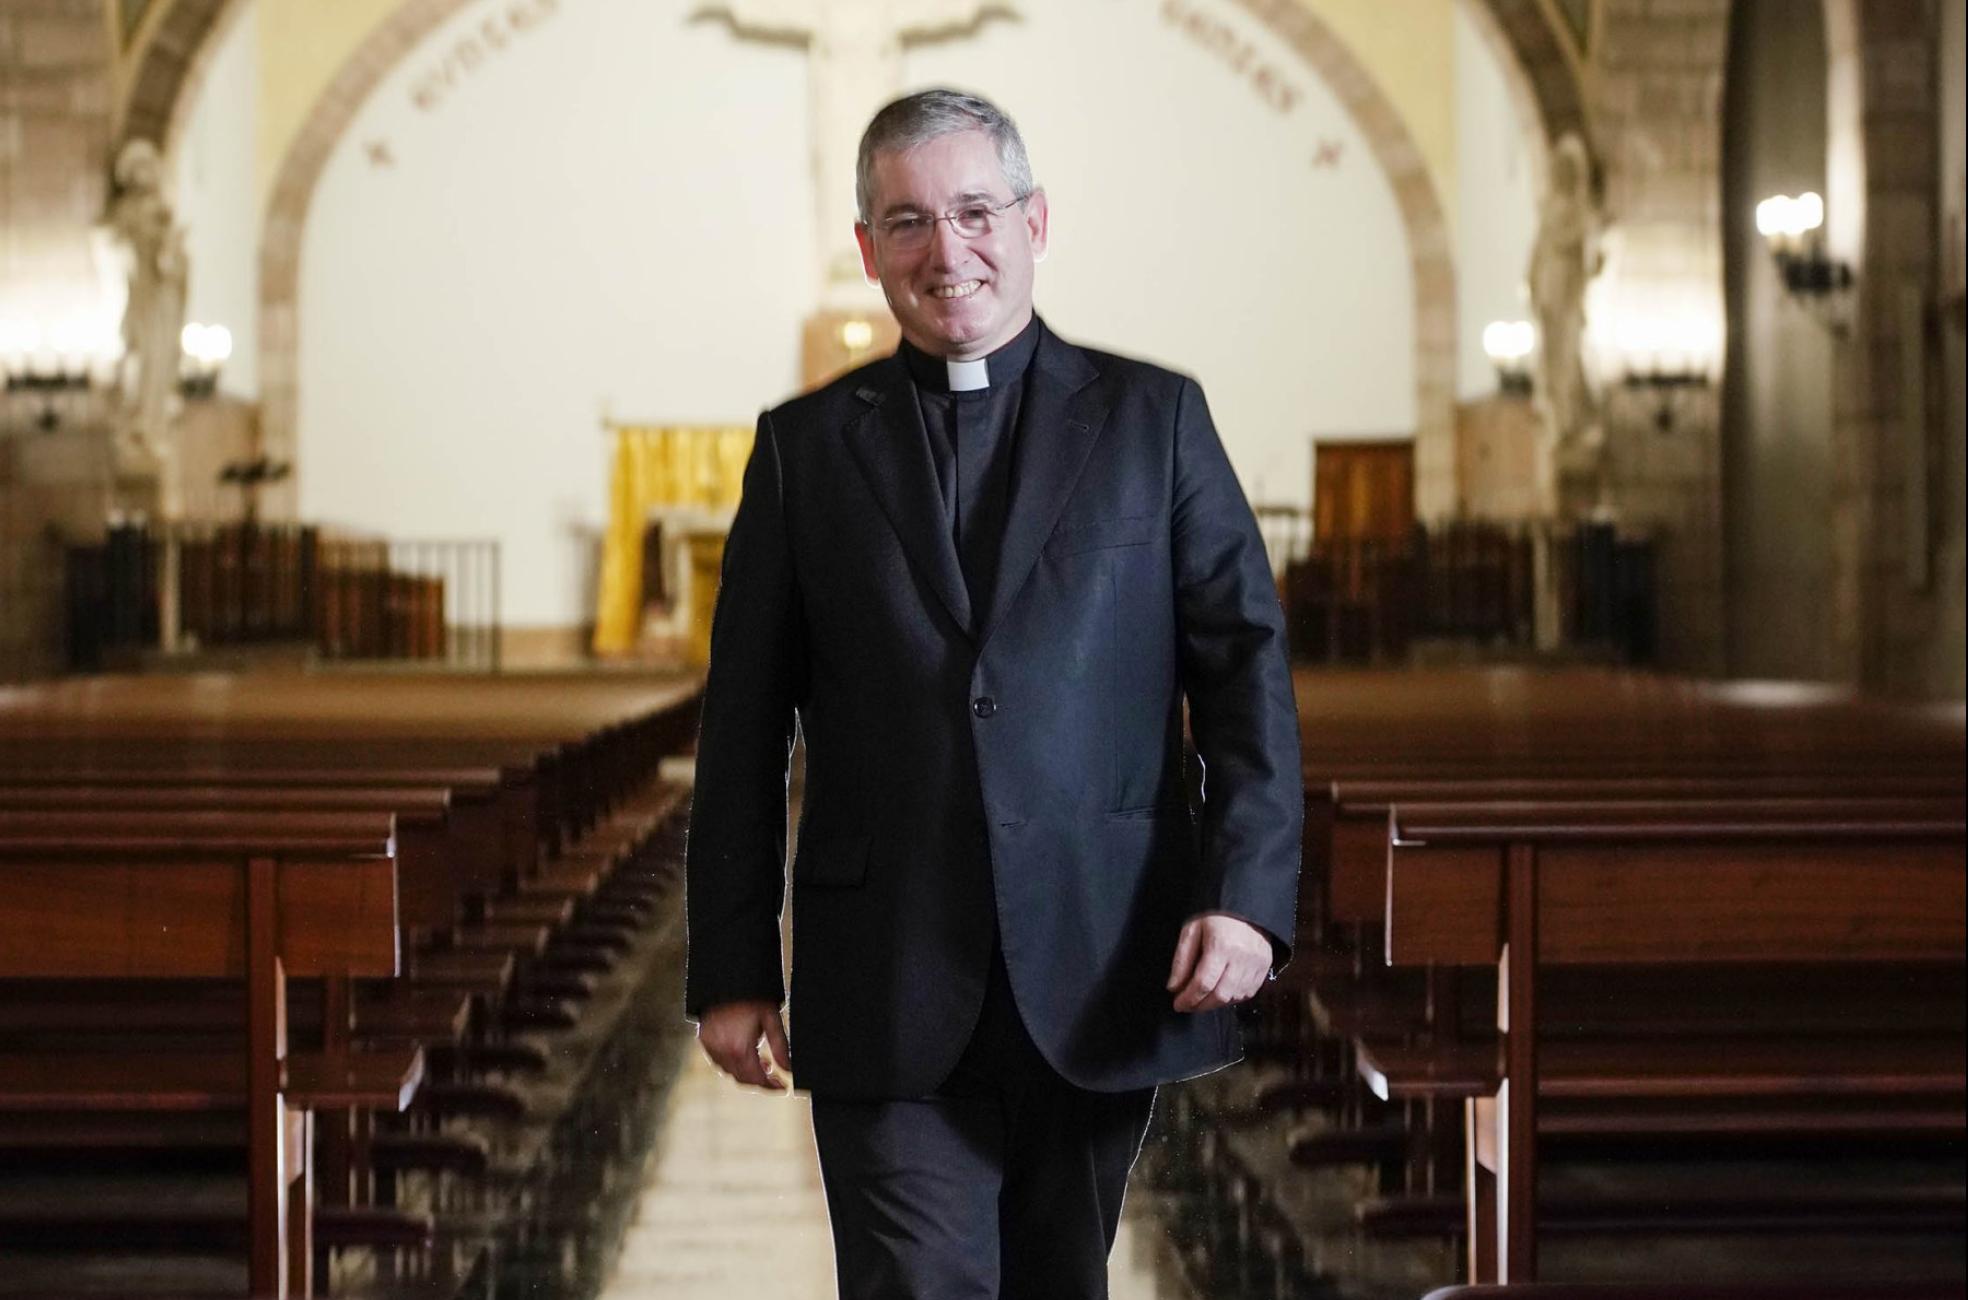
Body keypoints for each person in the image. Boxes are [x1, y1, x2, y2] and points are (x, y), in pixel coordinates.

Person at [684, 87, 1303, 1299]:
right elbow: (744, 727)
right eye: (907, 222)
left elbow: (1244, 670)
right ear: (868, 251)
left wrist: (1246, 897)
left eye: (974, 211)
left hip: (1099, 949)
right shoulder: (804, 449)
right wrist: (732, 963)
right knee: (919, 1282)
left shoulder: (1153, 420)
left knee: (1059, 1279)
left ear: (1035, 220)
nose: (946, 250)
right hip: (887, 967)